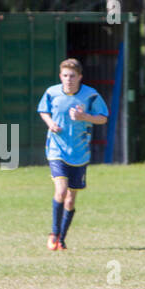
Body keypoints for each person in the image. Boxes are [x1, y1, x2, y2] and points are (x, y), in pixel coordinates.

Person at [38, 58, 109, 251]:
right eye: (65, 75)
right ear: (60, 76)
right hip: (56, 150)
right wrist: (50, 123)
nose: (68, 79)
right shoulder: (52, 93)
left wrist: (84, 117)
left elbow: (103, 118)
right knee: (60, 191)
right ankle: (53, 233)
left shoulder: (90, 95)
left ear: (80, 77)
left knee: (70, 198)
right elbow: (43, 111)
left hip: (79, 153)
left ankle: (62, 237)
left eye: (72, 76)